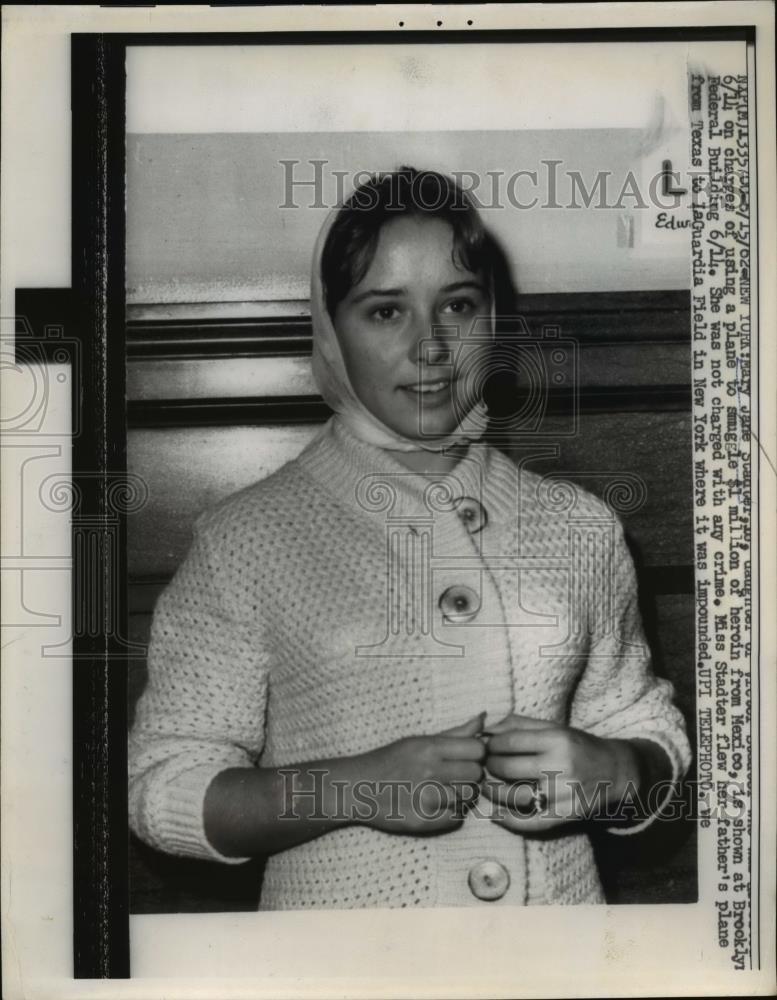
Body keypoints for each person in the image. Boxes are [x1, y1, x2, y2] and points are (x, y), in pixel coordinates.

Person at [128, 167, 692, 908]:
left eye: (457, 304)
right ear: (331, 328)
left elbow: (643, 726)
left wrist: (618, 771)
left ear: (493, 318)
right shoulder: (247, 538)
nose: (431, 346)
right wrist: (351, 789)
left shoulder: (579, 526)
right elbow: (163, 789)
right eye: (385, 312)